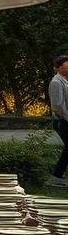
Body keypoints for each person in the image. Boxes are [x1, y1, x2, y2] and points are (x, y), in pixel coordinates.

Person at [48, 55, 68, 186]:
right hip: (63, 120)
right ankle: (56, 175)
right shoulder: (56, 82)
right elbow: (57, 106)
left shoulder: (65, 81)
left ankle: (57, 174)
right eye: (67, 64)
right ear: (59, 67)